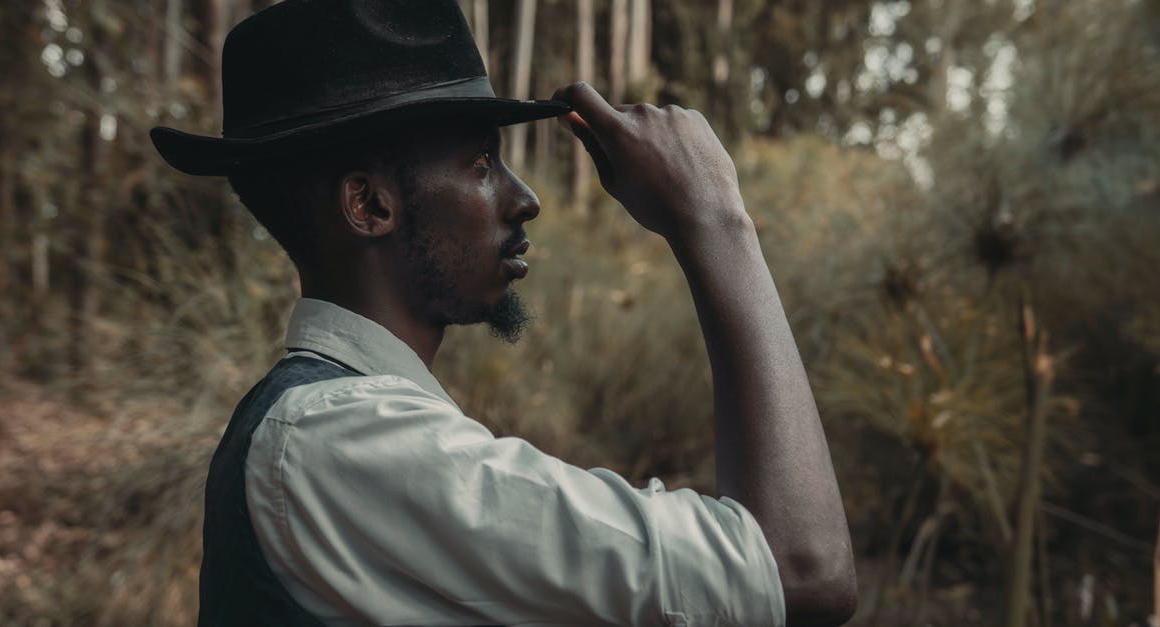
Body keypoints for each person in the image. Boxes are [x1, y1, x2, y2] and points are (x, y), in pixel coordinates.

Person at [151, 1, 856, 625]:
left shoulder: (336, 431)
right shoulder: (338, 442)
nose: (526, 199)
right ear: (368, 205)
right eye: (482, 163)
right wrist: (717, 221)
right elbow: (802, 571)